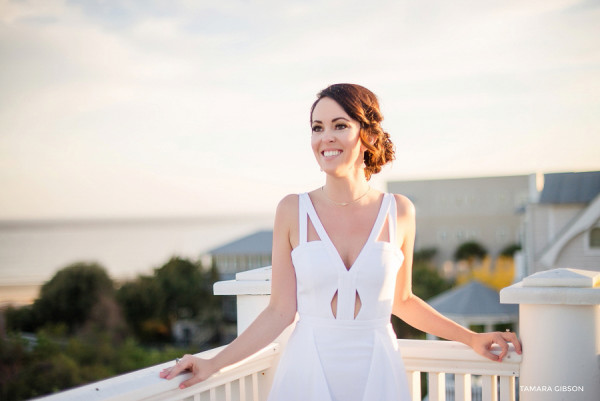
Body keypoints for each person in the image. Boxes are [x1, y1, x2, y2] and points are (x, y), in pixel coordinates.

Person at [160, 83, 522, 400]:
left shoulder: (399, 211)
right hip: (308, 370)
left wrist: (471, 339)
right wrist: (213, 364)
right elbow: (279, 311)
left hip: (377, 370)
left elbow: (404, 300)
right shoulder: (292, 210)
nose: (324, 138)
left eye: (339, 125)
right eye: (317, 128)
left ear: (368, 136)